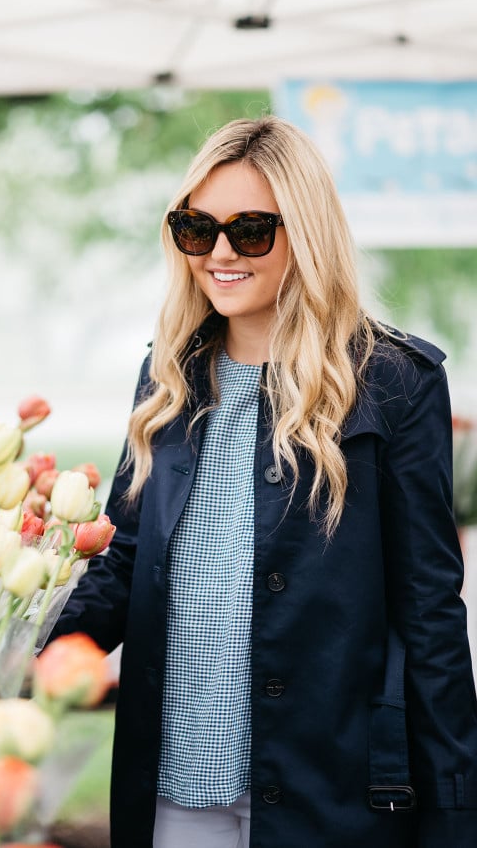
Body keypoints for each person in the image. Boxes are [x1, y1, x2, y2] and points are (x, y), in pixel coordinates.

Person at [51, 116, 477, 848]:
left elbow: (431, 614)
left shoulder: (394, 384)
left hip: (332, 793)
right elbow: (125, 560)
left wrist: (455, 811)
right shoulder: (165, 377)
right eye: (197, 228)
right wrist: (4, 640)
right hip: (174, 793)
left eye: (250, 230)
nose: (219, 252)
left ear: (305, 235)